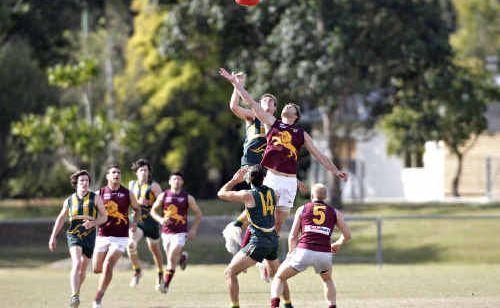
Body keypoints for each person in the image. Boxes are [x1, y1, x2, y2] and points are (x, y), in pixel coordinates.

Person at [219, 67, 348, 234]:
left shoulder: (301, 133)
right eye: (285, 105)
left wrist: (335, 171)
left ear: (296, 115)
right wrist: (236, 84)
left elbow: (319, 155)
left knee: (278, 225)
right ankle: (247, 241)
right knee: (262, 217)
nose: (287, 106)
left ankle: (267, 257)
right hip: (272, 177)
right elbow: (250, 102)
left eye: (290, 105)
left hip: (289, 182)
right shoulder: (272, 123)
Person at [217, 166, 293, 308]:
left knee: (230, 273)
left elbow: (221, 193)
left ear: (248, 179)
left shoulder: (248, 195)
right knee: (278, 275)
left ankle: (235, 306)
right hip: (272, 239)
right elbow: (259, 209)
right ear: (264, 178)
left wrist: (234, 180)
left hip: (259, 241)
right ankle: (288, 304)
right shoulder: (272, 192)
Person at [270, 184, 351, 308]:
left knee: (279, 277)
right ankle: (332, 306)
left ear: (312, 195)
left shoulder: (303, 209)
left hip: (304, 251)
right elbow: (347, 235)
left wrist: (291, 253)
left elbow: (293, 236)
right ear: (325, 197)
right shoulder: (334, 212)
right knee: (327, 280)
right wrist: (338, 243)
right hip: (324, 254)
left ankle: (274, 305)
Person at [49, 170, 107, 308]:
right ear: (76, 183)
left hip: (90, 237)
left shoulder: (95, 198)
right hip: (74, 235)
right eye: (81, 180)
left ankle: (76, 293)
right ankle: (74, 295)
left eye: (87, 180)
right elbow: (61, 218)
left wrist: (93, 223)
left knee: (82, 270)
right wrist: (53, 236)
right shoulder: (69, 200)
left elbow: (104, 216)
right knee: (76, 262)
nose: (84, 183)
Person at [92, 164, 141, 308]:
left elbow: (137, 210)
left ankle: (98, 297)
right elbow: (89, 210)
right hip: (102, 235)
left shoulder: (127, 193)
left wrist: (134, 223)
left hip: (121, 237)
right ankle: (105, 279)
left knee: (108, 264)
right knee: (96, 269)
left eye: (119, 172)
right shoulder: (98, 193)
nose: (116, 175)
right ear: (108, 176)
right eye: (113, 172)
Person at [150, 171, 202, 293]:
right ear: (169, 182)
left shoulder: (187, 197)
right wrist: (160, 219)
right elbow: (153, 211)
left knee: (172, 255)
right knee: (171, 259)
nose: (176, 181)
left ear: (182, 182)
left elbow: (198, 214)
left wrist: (193, 229)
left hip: (180, 233)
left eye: (179, 179)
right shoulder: (163, 195)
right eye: (174, 179)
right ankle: (182, 257)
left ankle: (166, 285)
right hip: (166, 232)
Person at [127, 159, 165, 291]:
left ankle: (160, 274)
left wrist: (151, 203)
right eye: (141, 170)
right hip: (137, 222)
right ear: (136, 172)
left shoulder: (154, 186)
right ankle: (137, 271)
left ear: (149, 172)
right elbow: (127, 202)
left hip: (151, 223)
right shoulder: (131, 185)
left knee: (155, 251)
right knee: (130, 244)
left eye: (146, 170)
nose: (144, 172)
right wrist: (137, 202)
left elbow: (163, 203)